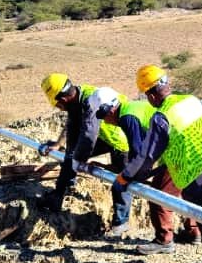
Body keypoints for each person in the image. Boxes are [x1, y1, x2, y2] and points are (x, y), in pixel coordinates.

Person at [129, 65, 202, 263]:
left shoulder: (162, 117)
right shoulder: (190, 100)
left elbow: (147, 156)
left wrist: (126, 178)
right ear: (166, 84)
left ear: (149, 95)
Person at [36, 74, 133, 236]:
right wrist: (60, 146)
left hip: (122, 140)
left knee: (121, 181)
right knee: (69, 155)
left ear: (64, 99)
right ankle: (58, 195)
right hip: (103, 136)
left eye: (58, 105)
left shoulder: (90, 101)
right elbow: (72, 126)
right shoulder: (76, 98)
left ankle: (120, 223)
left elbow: (89, 135)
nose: (58, 108)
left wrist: (77, 161)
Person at [94, 94, 184, 249]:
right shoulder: (132, 108)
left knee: (158, 196)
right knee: (189, 191)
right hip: (177, 147)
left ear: (110, 110)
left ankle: (164, 241)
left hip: (177, 152)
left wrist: (127, 177)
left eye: (103, 116)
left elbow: (139, 154)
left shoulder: (127, 118)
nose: (105, 121)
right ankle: (193, 233)